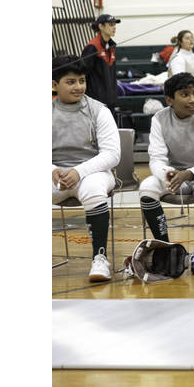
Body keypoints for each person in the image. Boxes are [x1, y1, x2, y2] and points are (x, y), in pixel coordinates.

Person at [137, 73, 194, 274]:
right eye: (185, 94)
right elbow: (157, 158)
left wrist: (189, 173)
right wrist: (167, 174)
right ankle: (165, 248)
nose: (193, 99)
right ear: (169, 99)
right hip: (177, 174)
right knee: (147, 187)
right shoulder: (159, 119)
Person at [52, 55, 120, 283]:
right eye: (71, 82)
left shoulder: (99, 110)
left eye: (82, 80)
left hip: (93, 173)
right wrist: (51, 169)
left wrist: (78, 171)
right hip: (57, 175)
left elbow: (112, 154)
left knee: (92, 190)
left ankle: (100, 259)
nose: (78, 86)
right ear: (54, 85)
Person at [81, 14, 121, 114]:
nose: (114, 27)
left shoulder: (111, 46)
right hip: (96, 102)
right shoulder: (92, 47)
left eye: (115, 24)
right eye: (111, 24)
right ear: (101, 26)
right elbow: (83, 73)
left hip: (110, 100)